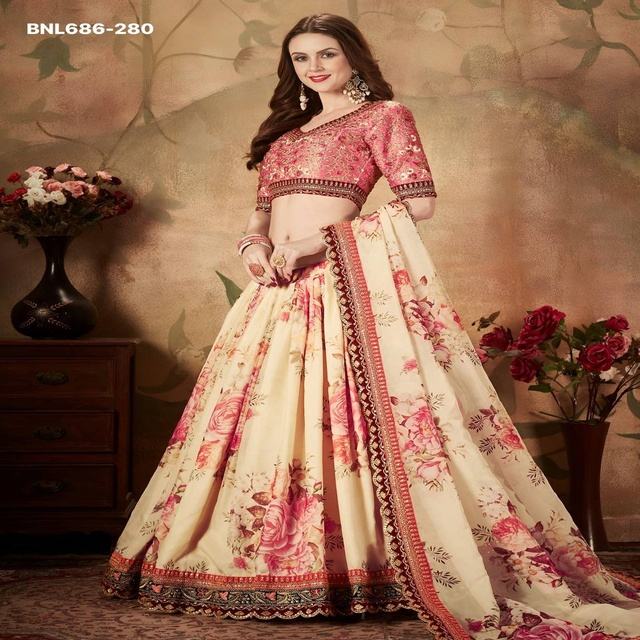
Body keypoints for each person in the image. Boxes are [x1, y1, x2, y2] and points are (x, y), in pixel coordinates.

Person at [102, 13, 640, 638]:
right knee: (265, 422)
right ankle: (266, 560)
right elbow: (259, 217)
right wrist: (253, 248)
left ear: (353, 56)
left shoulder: (384, 117)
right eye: (301, 58)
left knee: (347, 420)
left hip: (341, 291)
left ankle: (365, 564)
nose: (314, 67)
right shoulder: (284, 135)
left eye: (326, 54)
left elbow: (418, 204)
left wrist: (317, 242)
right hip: (273, 297)